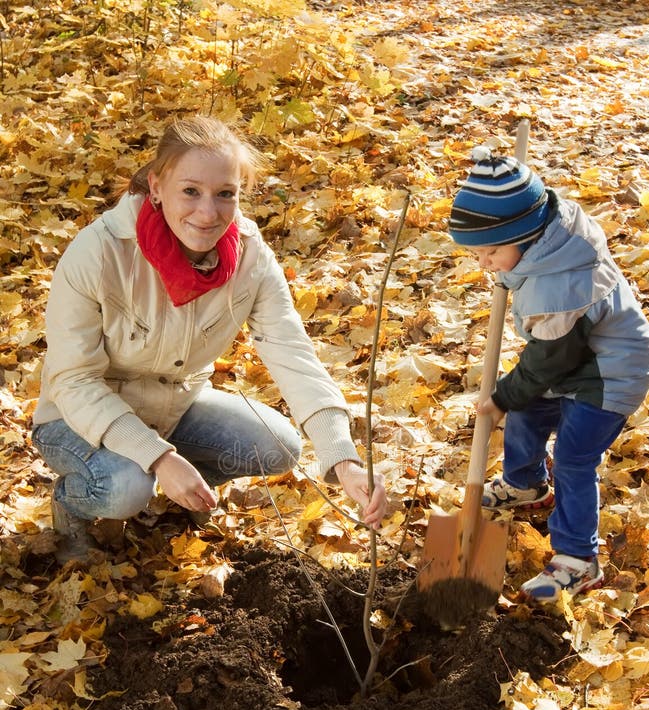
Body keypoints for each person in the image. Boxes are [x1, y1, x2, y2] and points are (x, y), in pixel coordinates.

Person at [32, 115, 386, 564]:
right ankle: (73, 503)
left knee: (279, 447)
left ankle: (180, 496)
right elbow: (73, 381)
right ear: (157, 186)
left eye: (225, 194)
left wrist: (343, 458)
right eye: (190, 191)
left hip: (174, 406)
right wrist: (159, 459)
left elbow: (293, 352)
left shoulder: (250, 256)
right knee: (124, 487)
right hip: (75, 418)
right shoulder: (99, 252)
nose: (208, 213)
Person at [447, 145, 649, 602]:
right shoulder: (545, 236)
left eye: (492, 252)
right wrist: (508, 266)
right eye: (478, 255)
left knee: (574, 459)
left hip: (611, 374)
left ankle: (579, 561)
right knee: (527, 410)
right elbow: (549, 360)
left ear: (526, 236)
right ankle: (526, 485)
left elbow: (546, 362)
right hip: (578, 361)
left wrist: (501, 397)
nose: (484, 264)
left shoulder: (560, 285)